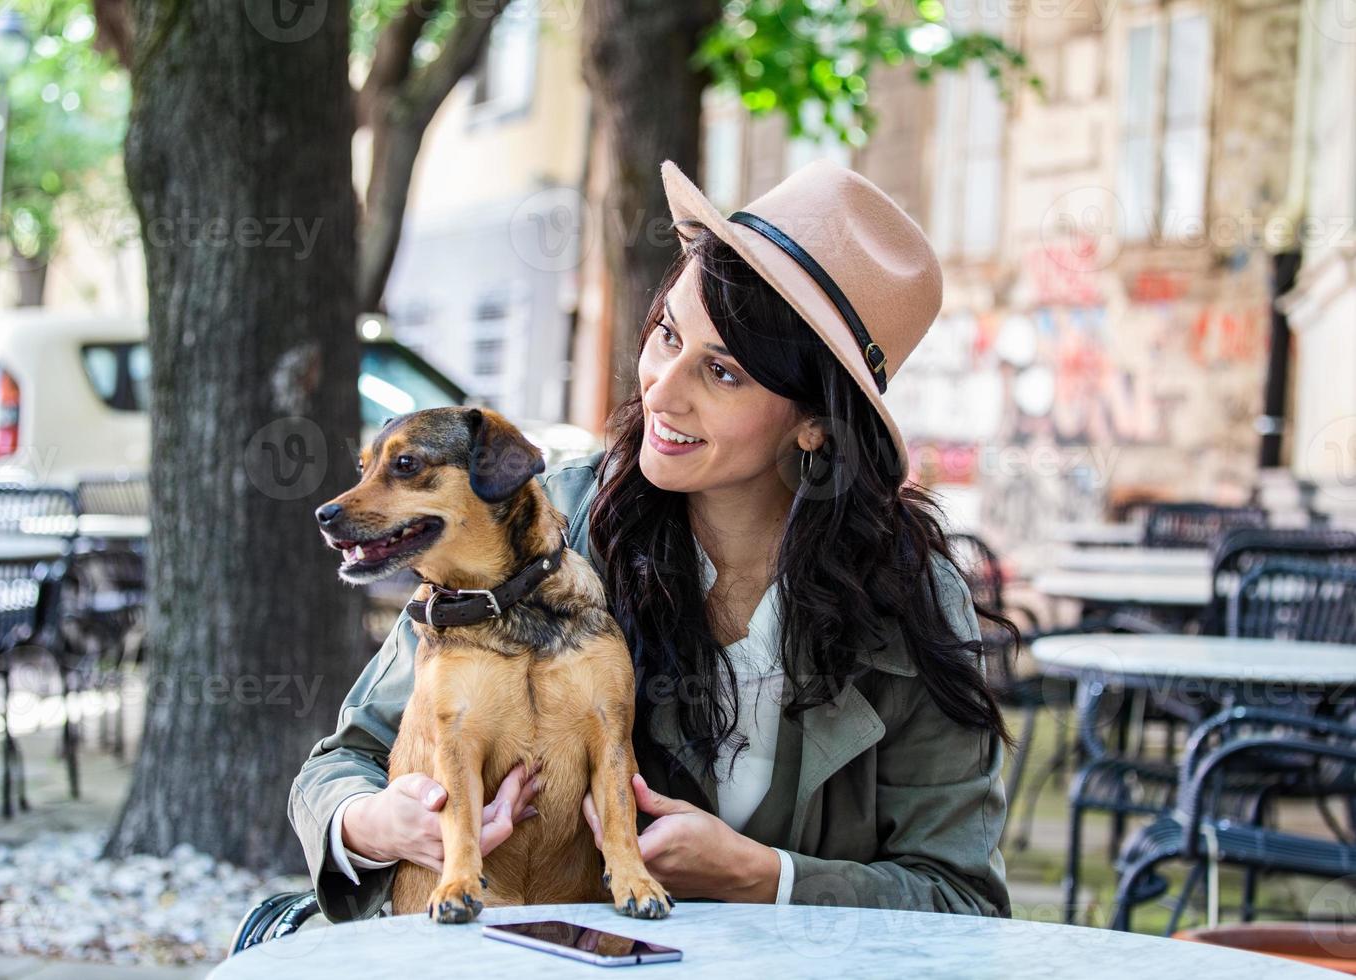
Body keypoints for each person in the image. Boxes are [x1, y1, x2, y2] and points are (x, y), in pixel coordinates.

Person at [288, 158, 1016, 922]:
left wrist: (765, 877)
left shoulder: (907, 596)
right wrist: (374, 824)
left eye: (723, 372)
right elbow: (346, 761)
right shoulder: (549, 522)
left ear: (814, 421)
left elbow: (961, 898)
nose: (661, 390)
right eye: (667, 334)